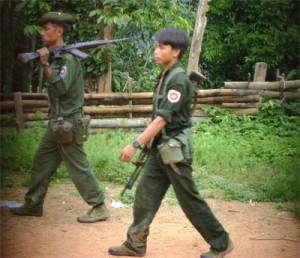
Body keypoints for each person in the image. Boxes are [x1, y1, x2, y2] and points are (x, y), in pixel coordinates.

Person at [108, 28, 233, 258]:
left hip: (174, 150)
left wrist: (135, 143)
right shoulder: (165, 75)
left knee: (189, 200)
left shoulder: (178, 80)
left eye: (161, 47)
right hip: (160, 149)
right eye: (156, 46)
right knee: (145, 195)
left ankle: (221, 242)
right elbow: (161, 117)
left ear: (176, 52)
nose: (156, 51)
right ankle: (135, 244)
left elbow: (163, 118)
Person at [10, 12, 110, 223]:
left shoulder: (67, 59)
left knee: (77, 166)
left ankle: (99, 206)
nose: (42, 33)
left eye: (46, 29)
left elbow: (62, 88)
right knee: (41, 161)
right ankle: (33, 203)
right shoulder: (57, 57)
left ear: (59, 31)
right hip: (56, 122)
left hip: (68, 123)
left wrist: (45, 63)